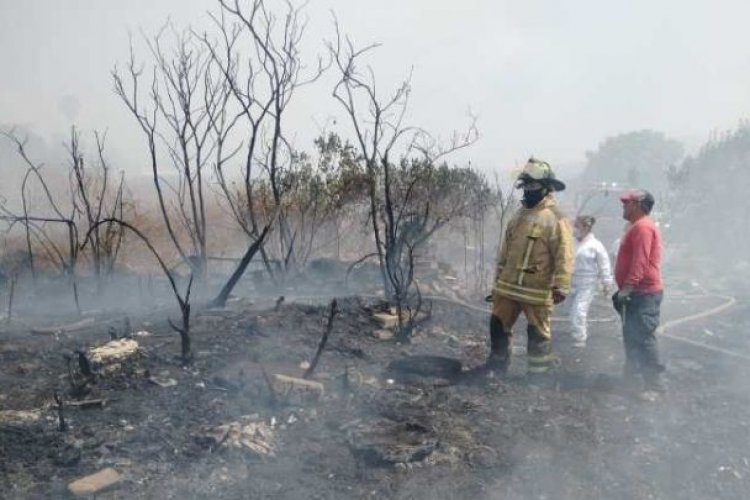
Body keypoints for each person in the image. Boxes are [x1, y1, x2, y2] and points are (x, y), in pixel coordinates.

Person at [488, 157, 574, 380]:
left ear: (546, 188)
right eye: (525, 185)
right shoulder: (519, 215)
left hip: (537, 290)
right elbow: (505, 250)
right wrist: (497, 282)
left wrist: (561, 285)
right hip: (507, 288)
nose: (528, 190)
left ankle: (537, 377)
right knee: (498, 327)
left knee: (537, 334)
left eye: (533, 186)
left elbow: (564, 254)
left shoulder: (556, 218)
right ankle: (496, 370)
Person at [612, 189, 666, 392]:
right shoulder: (636, 227)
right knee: (632, 335)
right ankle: (632, 381)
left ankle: (654, 386)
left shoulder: (643, 228)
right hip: (637, 292)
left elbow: (640, 262)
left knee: (643, 337)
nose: (624, 205)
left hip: (643, 293)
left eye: (627, 202)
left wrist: (628, 287)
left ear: (638, 205)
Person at [568, 216, 615, 347]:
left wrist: (607, 284)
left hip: (587, 283)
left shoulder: (596, 245)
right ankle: (577, 331)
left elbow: (604, 265)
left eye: (577, 226)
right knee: (572, 311)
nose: (574, 229)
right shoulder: (571, 242)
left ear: (586, 228)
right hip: (571, 281)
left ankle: (580, 338)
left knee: (579, 310)